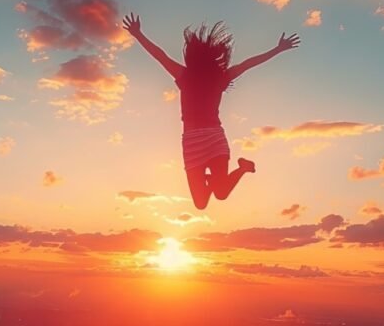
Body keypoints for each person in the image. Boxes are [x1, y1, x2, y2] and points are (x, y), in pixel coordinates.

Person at [121, 13, 300, 209]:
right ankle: (214, 176)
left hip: (214, 137)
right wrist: (138, 34)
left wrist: (278, 49)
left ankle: (242, 169)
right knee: (200, 204)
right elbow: (160, 56)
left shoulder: (203, 76)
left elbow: (248, 64)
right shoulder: (193, 75)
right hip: (192, 142)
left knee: (221, 193)